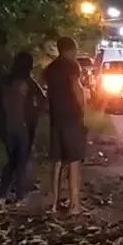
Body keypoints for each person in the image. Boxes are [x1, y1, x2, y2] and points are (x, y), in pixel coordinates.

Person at [42, 37, 87, 215]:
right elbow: (77, 89)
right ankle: (74, 205)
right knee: (74, 160)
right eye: (74, 50)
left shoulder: (50, 69)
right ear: (70, 50)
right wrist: (82, 110)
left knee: (57, 161)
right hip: (72, 117)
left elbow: (47, 92)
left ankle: (54, 204)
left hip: (56, 118)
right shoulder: (72, 66)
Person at [0, 51, 45, 208]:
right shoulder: (28, 82)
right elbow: (42, 99)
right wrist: (36, 113)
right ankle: (20, 196)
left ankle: (2, 195)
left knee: (11, 161)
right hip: (23, 126)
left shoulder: (4, 82)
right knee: (21, 162)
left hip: (6, 125)